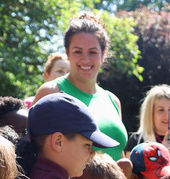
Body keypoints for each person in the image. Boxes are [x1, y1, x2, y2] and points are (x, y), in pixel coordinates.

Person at [32, 12, 127, 162]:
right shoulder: (51, 92)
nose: (86, 59)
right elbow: (31, 150)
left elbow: (117, 154)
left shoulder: (113, 101)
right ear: (67, 53)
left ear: (103, 54)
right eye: (78, 51)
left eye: (93, 52)